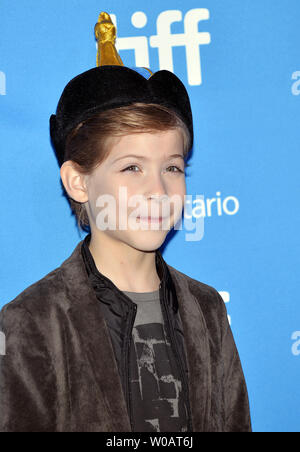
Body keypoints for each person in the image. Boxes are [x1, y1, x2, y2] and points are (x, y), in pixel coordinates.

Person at [0, 12, 252, 432]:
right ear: (78, 182)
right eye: (132, 168)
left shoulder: (207, 311)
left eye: (172, 168)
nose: (158, 189)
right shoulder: (30, 323)